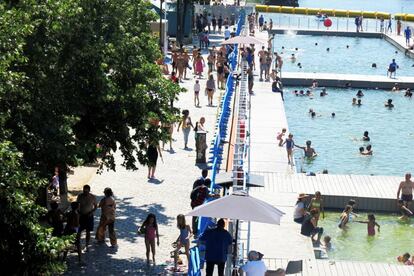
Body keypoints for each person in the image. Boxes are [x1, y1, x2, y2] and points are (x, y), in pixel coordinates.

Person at [76, 185, 97, 250]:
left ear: (89, 190)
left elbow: (95, 206)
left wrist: (91, 212)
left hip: (89, 216)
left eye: (86, 191)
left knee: (88, 231)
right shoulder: (80, 196)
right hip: (81, 216)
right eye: (84, 191)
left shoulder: (93, 197)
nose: (85, 192)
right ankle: (77, 245)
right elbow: (77, 205)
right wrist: (78, 212)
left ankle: (87, 245)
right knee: (78, 231)